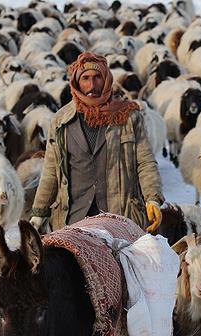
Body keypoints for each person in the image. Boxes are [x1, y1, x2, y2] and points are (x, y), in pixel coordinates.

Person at [29, 52, 164, 233]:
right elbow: (51, 170)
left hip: (118, 217)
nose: (92, 85)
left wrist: (152, 198)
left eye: (97, 77)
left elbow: (145, 162)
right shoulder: (61, 121)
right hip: (73, 218)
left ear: (107, 79)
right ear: (76, 82)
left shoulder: (128, 117)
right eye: (85, 78)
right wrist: (39, 212)